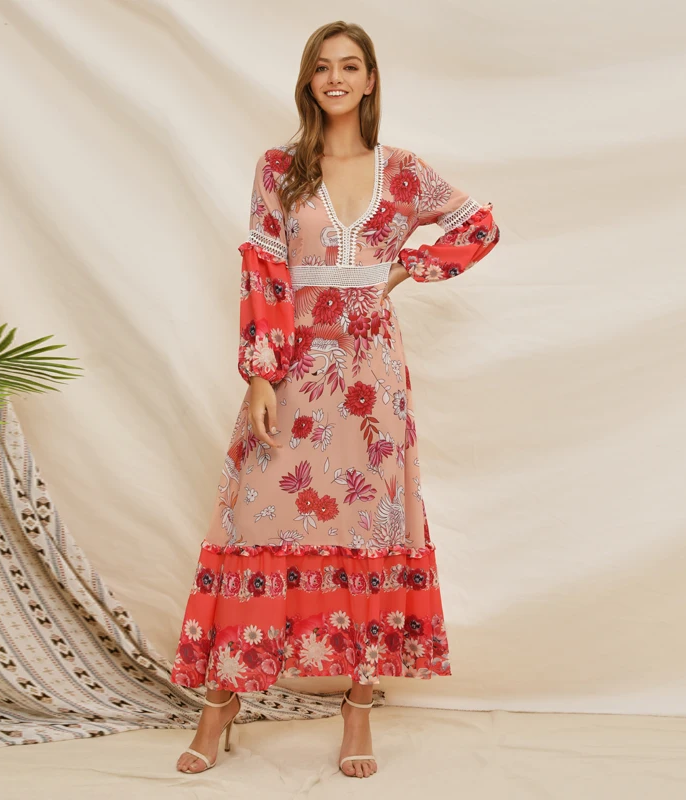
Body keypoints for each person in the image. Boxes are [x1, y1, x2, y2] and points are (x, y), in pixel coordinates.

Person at [172, 20, 500, 780]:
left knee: (367, 530)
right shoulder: (280, 168)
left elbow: (479, 226)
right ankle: (220, 702)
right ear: (308, 80)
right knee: (258, 517)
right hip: (295, 368)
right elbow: (263, 269)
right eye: (323, 67)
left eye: (351, 66)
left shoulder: (404, 172)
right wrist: (260, 373)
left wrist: (406, 268)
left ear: (371, 79)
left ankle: (359, 704)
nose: (337, 78)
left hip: (372, 378)